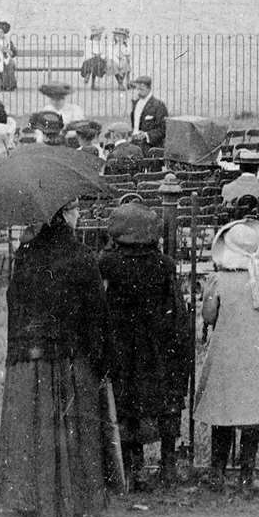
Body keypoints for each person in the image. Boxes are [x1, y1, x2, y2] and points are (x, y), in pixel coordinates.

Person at [0, 198, 110, 517]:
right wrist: (99, 358)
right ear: (61, 215)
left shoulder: (26, 255)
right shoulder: (81, 256)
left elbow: (14, 305)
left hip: (31, 358)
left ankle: (33, 498)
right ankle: (73, 500)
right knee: (69, 429)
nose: (78, 216)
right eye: (74, 210)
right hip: (70, 358)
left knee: (37, 428)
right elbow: (95, 314)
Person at [192, 218, 259, 494]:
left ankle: (217, 473)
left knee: (223, 411)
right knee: (252, 415)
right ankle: (246, 476)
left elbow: (209, 315)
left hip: (227, 354)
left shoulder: (218, 281)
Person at [98, 204, 191, 490]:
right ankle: (167, 462)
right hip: (155, 344)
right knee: (162, 399)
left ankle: (131, 465)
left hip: (121, 344)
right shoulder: (163, 265)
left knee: (126, 402)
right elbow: (176, 309)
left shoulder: (108, 263)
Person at [128, 75, 168, 149]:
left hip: (150, 146)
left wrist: (146, 135)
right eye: (138, 89)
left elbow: (163, 129)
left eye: (141, 89)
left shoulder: (158, 105)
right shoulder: (136, 103)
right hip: (134, 143)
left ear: (149, 88)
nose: (139, 91)